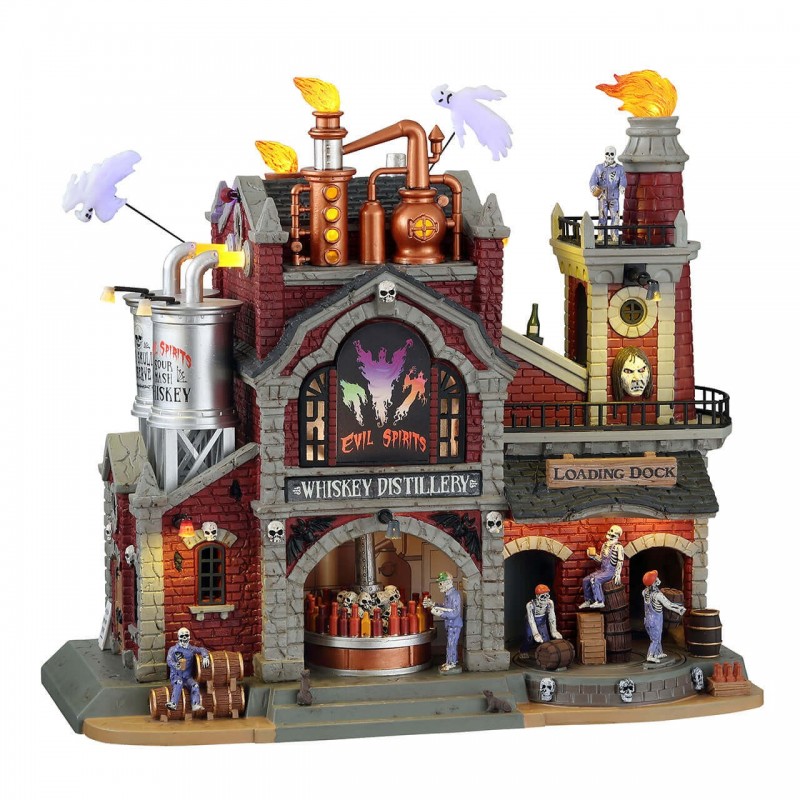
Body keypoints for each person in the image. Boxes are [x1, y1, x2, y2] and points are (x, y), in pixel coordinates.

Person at [642, 570, 686, 663]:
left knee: (658, 636)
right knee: (655, 639)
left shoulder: (644, 592)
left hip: (648, 619)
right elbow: (669, 605)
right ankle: (650, 655)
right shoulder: (658, 595)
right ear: (654, 582)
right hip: (655, 620)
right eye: (656, 578)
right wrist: (679, 609)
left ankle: (658, 652)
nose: (658, 579)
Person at [424, 571, 463, 673]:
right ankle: (450, 661)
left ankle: (451, 663)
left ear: (448, 582)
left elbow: (455, 613)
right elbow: (446, 607)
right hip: (450, 624)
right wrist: (433, 604)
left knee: (451, 644)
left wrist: (439, 613)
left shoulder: (454, 595)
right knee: (450, 644)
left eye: (441, 583)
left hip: (454, 625)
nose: (439, 586)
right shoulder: (448, 594)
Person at [579, 525, 625, 609]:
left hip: (610, 571)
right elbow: (601, 559)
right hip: (603, 570)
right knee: (586, 580)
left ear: (618, 535)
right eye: (610, 531)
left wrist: (618, 574)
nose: (610, 533)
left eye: (612, 532)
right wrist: (593, 556)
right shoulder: (605, 545)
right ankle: (589, 600)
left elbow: (620, 561)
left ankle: (600, 601)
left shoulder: (619, 547)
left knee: (595, 579)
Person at [166, 627, 210, 711]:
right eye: (182, 636)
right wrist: (175, 665)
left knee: (195, 685)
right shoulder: (173, 649)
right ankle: (173, 703)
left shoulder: (191, 649)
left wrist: (205, 656)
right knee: (178, 682)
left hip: (187, 677)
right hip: (176, 675)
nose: (184, 638)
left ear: (189, 637)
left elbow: (202, 649)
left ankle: (195, 704)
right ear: (178, 637)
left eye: (186, 636)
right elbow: (169, 660)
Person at [589, 145, 627, 232]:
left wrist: (622, 186)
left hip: (614, 197)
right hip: (602, 196)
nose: (609, 156)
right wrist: (593, 187)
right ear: (604, 154)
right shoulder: (598, 168)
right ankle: (601, 235)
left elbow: (623, 179)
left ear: (614, 155)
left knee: (615, 217)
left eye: (612, 154)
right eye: (607, 153)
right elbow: (593, 179)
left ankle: (615, 236)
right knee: (602, 216)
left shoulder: (620, 168)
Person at [519, 584, 562, 658]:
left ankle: (545, 654)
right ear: (537, 596)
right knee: (529, 638)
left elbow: (552, 617)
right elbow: (531, 620)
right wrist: (536, 634)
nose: (545, 599)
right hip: (530, 623)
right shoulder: (530, 605)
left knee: (546, 640)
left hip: (542, 622)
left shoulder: (550, 603)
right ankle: (523, 651)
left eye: (547, 596)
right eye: (542, 596)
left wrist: (554, 631)